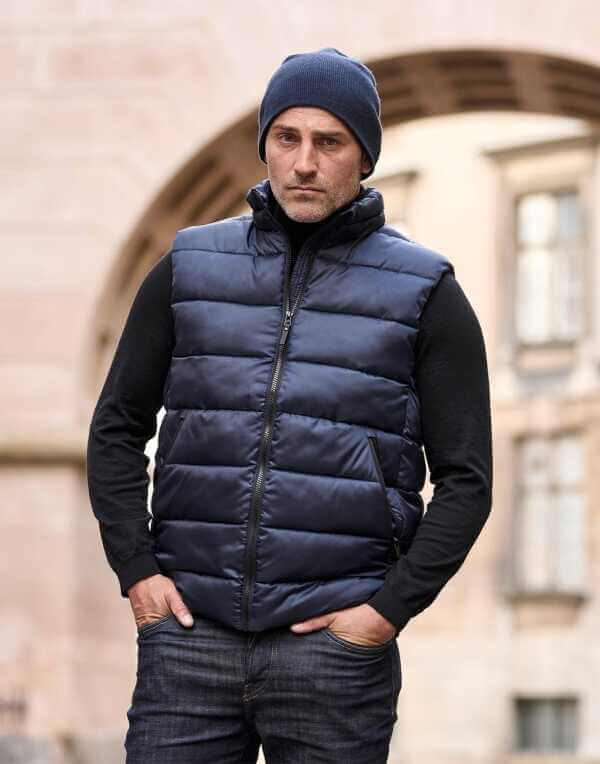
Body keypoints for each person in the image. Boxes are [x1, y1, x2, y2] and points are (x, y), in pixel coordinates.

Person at [87, 47, 493, 763]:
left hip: (334, 653)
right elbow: (116, 427)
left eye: (329, 142)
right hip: (189, 642)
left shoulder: (427, 292)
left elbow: (468, 481)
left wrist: (384, 613)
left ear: (363, 157)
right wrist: (137, 572)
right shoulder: (188, 267)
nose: (304, 163)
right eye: (287, 138)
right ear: (266, 145)